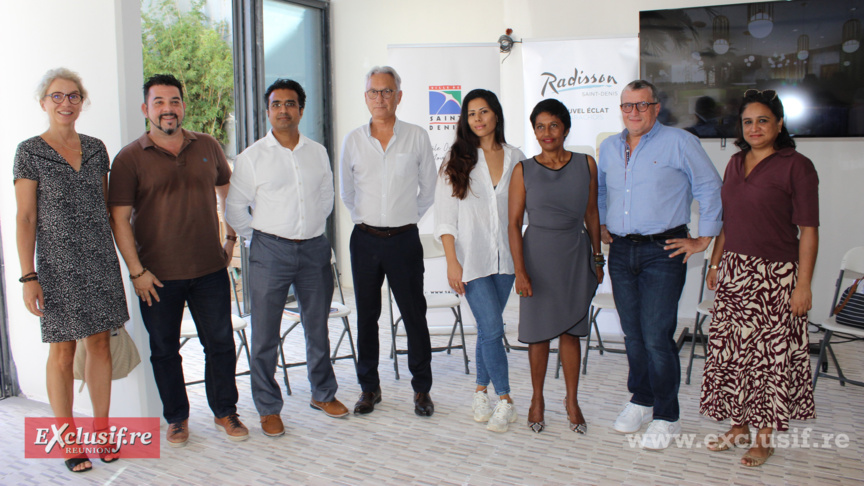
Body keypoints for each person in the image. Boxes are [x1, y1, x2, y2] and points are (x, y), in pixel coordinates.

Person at [108, 74, 248, 446]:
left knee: (219, 344)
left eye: (174, 101)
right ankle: (177, 418)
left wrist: (231, 239)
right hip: (156, 277)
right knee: (165, 350)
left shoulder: (207, 146)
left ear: (183, 106)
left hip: (209, 270)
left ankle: (225, 411)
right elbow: (119, 219)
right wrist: (136, 272)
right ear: (146, 109)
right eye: (159, 102)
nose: (167, 109)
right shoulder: (129, 158)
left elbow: (228, 196)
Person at [14, 68, 129, 473]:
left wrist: (129, 264)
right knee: (62, 352)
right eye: (57, 95)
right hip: (56, 266)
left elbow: (105, 211)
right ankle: (68, 438)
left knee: (99, 345)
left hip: (99, 259)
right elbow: (26, 218)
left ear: (83, 101)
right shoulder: (29, 151)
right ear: (43, 102)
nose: (66, 102)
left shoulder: (97, 149)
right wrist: (28, 276)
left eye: (74, 95)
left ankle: (102, 431)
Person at [598, 79, 722, 449]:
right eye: (627, 106)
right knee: (633, 335)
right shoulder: (608, 146)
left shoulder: (681, 143)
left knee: (655, 336)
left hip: (663, 251)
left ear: (655, 108)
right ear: (621, 109)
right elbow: (603, 189)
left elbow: (710, 188)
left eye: (641, 105)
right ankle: (641, 398)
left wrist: (704, 238)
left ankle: (666, 415)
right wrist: (603, 222)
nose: (633, 112)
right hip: (621, 252)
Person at [700, 89, 818, 467]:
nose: (754, 128)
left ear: (779, 125)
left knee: (768, 360)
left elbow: (809, 230)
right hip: (735, 271)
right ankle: (738, 427)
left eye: (763, 120)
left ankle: (763, 438)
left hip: (776, 277)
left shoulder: (797, 165)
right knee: (733, 354)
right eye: (748, 122)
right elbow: (727, 222)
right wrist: (716, 264)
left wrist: (804, 285)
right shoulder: (735, 163)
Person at [226, 79, 348, 437]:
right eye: (276, 104)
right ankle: (268, 407)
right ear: (268, 111)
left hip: (313, 248)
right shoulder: (251, 158)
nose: (283, 110)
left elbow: (326, 197)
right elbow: (235, 208)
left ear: (301, 109)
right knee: (265, 334)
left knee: (317, 328)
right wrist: (258, 239)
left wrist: (308, 228)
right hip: (269, 250)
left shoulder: (317, 152)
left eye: (290, 103)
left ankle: (323, 394)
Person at [340, 66, 437, 416]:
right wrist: (369, 220)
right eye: (373, 92)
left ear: (399, 95)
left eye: (386, 91)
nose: (379, 98)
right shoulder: (353, 140)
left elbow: (428, 190)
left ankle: (422, 389)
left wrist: (404, 219)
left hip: (403, 240)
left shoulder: (416, 137)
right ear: (365, 96)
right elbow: (346, 193)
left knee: (414, 316)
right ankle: (369, 388)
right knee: (367, 316)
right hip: (364, 240)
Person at [508, 99, 603, 434]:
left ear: (565, 128)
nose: (546, 133)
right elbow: (514, 223)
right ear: (534, 131)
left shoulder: (586, 164)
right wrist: (520, 271)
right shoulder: (523, 169)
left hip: (575, 254)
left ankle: (572, 400)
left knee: (571, 330)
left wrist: (597, 256)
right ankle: (537, 399)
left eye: (553, 125)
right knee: (537, 334)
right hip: (538, 257)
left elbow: (592, 214)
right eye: (540, 126)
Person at [434, 89, 525, 432]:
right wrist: (451, 262)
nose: (478, 119)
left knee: (487, 332)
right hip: (471, 261)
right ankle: (506, 400)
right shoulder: (455, 159)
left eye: (484, 111)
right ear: (465, 120)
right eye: (471, 113)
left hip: (506, 259)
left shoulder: (517, 157)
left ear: (496, 115)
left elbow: (524, 210)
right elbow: (445, 218)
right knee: (492, 328)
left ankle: (480, 391)